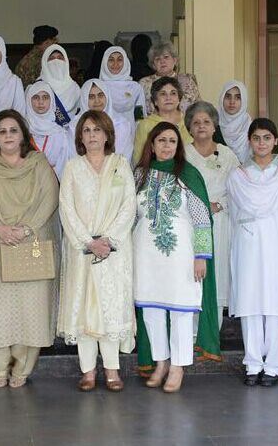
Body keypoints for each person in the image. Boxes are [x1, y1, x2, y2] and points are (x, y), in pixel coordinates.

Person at [0, 109, 59, 388]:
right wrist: (0, 228)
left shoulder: (39, 163)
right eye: (2, 131)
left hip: (31, 243)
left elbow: (50, 197)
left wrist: (25, 228)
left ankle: (21, 370)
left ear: (23, 135)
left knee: (32, 309)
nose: (8, 136)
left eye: (13, 130)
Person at [132, 122, 218, 392]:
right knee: (152, 310)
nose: (166, 145)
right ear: (152, 144)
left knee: (181, 311)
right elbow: (130, 215)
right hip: (145, 254)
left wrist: (201, 256)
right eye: (161, 140)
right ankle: (161, 363)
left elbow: (202, 218)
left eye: (172, 141)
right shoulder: (139, 175)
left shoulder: (188, 174)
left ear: (178, 146)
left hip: (181, 255)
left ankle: (178, 367)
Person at [58, 110, 136, 392]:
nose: (92, 135)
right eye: (87, 130)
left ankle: (112, 370)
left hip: (114, 251)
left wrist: (108, 240)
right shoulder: (72, 167)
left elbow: (129, 205)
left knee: (110, 307)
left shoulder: (120, 165)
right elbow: (66, 208)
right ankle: (88, 371)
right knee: (84, 310)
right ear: (80, 136)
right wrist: (88, 242)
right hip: (83, 250)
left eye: (97, 130)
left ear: (107, 135)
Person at [226, 118, 278, 387]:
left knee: (277, 304)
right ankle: (253, 362)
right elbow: (236, 214)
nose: (261, 143)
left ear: (275, 141)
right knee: (250, 302)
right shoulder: (237, 175)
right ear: (249, 141)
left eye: (266, 138)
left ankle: (275, 366)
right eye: (256, 138)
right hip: (247, 243)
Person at [184, 101, 240, 329]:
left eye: (206, 121)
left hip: (219, 223)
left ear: (215, 126)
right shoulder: (183, 153)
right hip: (189, 223)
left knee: (216, 276)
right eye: (196, 122)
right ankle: (192, 335)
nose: (201, 126)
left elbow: (239, 189)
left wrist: (219, 205)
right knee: (191, 276)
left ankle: (211, 334)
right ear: (189, 128)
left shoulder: (227, 155)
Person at [133, 76, 193, 164]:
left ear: (179, 99)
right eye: (163, 94)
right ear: (155, 101)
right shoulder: (145, 124)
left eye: (173, 93)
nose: (168, 98)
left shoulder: (190, 121)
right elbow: (139, 158)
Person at [24, 81, 75, 178]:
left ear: (52, 101)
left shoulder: (60, 134)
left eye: (45, 97)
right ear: (28, 100)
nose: (40, 102)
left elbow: (64, 167)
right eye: (35, 97)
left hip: (54, 186)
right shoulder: (22, 131)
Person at [77, 79, 134, 162]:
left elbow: (124, 157)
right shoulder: (74, 126)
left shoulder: (121, 124)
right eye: (91, 97)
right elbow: (74, 157)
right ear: (84, 100)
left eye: (100, 95)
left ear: (107, 96)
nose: (97, 101)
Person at [138, 41, 200, 116]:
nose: (162, 61)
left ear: (175, 60)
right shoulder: (144, 83)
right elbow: (139, 111)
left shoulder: (187, 80)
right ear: (153, 64)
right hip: (154, 125)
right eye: (157, 59)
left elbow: (198, 106)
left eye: (166, 57)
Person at [98, 45, 147, 122]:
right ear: (104, 62)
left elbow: (139, 117)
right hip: (103, 132)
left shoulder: (135, 87)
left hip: (130, 132)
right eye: (111, 60)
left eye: (119, 60)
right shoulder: (98, 87)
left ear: (126, 62)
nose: (115, 64)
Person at [38, 44, 81, 127]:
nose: (56, 62)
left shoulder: (75, 88)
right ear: (44, 63)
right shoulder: (36, 87)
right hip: (43, 134)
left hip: (70, 135)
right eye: (51, 59)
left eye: (60, 58)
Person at [215, 80, 253, 163]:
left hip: (246, 173)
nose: (232, 102)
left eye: (238, 97)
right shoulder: (213, 125)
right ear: (222, 98)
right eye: (228, 97)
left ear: (244, 100)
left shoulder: (251, 127)